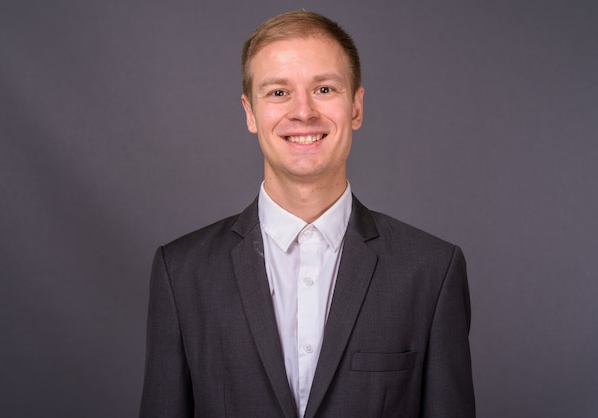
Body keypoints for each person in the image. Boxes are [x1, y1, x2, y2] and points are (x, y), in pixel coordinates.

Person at [139, 10, 475, 418]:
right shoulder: (181, 272)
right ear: (250, 113)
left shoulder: (431, 270)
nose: (303, 112)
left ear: (356, 107)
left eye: (324, 89)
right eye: (278, 92)